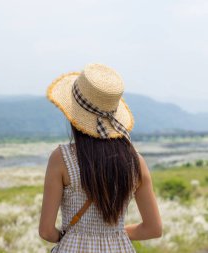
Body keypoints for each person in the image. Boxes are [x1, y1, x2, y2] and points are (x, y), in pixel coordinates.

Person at [38, 63, 162, 252]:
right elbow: (153, 229)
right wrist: (114, 235)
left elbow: (46, 232)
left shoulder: (62, 158)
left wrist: (67, 236)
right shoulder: (136, 162)